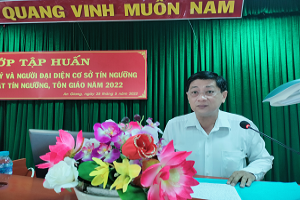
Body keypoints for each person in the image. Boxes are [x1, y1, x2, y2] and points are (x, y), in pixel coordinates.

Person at [162, 71, 274, 188]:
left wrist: (250, 172)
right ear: (188, 97)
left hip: (231, 192)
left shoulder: (242, 126)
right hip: (187, 193)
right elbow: (162, 162)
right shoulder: (174, 126)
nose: (201, 98)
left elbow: (263, 158)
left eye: (209, 92)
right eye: (194, 92)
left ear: (223, 96)